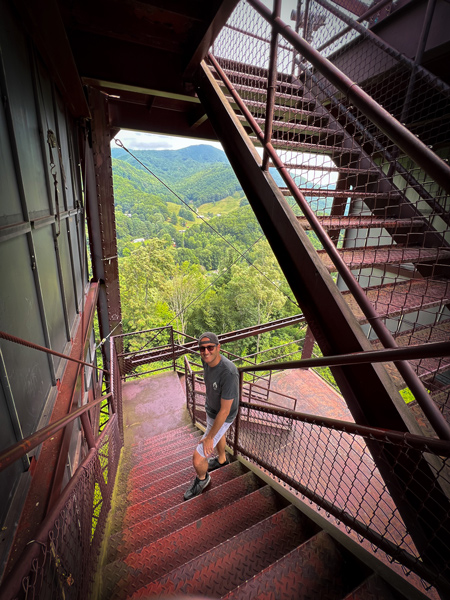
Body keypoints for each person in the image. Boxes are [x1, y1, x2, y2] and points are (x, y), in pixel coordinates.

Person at [183, 332, 239, 501]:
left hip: (223, 415)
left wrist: (209, 438)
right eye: (202, 349)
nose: (206, 352)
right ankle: (222, 460)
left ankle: (203, 479)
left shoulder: (229, 373)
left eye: (210, 348)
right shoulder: (206, 360)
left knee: (198, 458)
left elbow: (225, 411)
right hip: (211, 409)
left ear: (218, 348)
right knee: (216, 436)